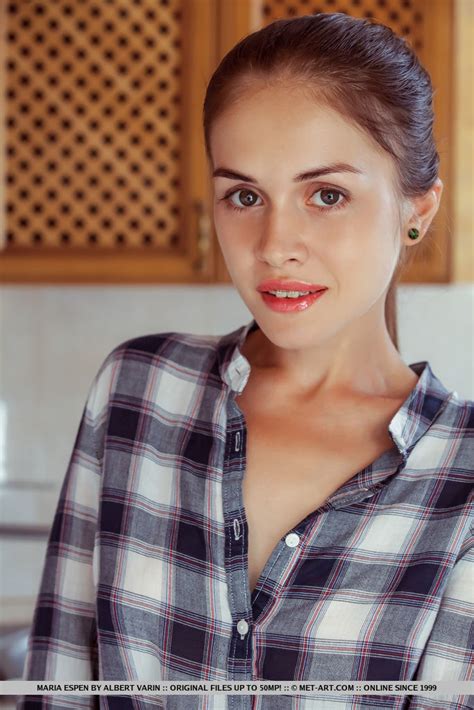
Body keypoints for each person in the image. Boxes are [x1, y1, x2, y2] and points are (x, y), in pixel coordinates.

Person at [17, 12, 472, 710]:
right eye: (245, 196)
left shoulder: (462, 479)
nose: (275, 243)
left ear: (417, 208)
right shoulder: (137, 393)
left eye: (327, 195)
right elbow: (57, 683)